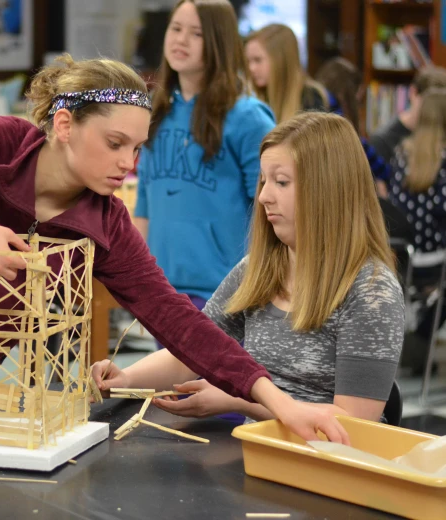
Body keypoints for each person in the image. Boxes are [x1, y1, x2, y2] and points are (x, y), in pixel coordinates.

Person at [0, 55, 349, 445]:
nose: (129, 164)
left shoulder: (105, 224)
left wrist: (278, 401)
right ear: (63, 125)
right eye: (114, 143)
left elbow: (178, 318)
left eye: (138, 148)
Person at [94, 112, 404, 423]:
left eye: (281, 182)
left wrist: (241, 400)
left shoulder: (372, 291)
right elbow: (195, 348)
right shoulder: (259, 267)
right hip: (257, 453)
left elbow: (355, 422)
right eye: (263, 181)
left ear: (327, 189)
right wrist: (127, 379)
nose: (264, 197)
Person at [133, 0, 275, 335]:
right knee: (169, 389)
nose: (180, 40)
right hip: (162, 291)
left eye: (195, 33)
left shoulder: (248, 117)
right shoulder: (154, 110)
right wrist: (138, 285)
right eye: (176, 28)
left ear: (219, 41)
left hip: (224, 292)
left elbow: (271, 206)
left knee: (201, 389)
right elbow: (144, 202)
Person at [388, 88, 446, 374]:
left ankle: (414, 339)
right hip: (432, 258)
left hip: (402, 253)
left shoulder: (401, 152)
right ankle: (421, 339)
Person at [315, 57, 390, 196]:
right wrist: (385, 174)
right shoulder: (333, 113)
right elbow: (358, 147)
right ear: (348, 92)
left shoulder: (314, 100)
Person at [370, 66, 446, 166]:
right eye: (430, 104)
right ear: (413, 93)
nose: (436, 112)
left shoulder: (445, 134)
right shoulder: (382, 141)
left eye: (442, 107)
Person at [243, 24, 328, 123]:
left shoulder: (310, 98)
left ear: (280, 61)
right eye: (248, 61)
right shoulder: (253, 100)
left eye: (258, 60)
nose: (251, 68)